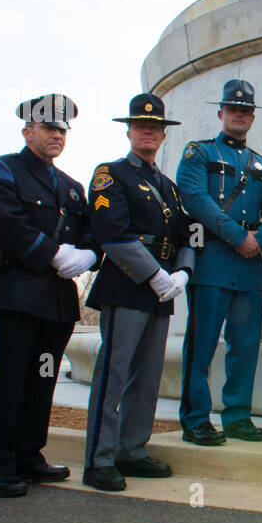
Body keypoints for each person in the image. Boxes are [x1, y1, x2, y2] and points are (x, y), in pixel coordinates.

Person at [0, 94, 97, 497]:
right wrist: (53, 253)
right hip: (15, 297)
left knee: (42, 381)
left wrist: (89, 253)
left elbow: (92, 231)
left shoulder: (72, 187)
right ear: (28, 131)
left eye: (63, 130)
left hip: (56, 305)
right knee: (7, 382)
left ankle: (29, 455)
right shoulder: (2, 170)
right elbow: (3, 222)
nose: (57, 135)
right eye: (49, 128)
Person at [82, 94, 194, 491]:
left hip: (162, 291)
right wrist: (153, 274)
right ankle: (99, 459)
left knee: (147, 378)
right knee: (113, 375)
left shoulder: (169, 188)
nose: (149, 131)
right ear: (129, 131)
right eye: (141, 125)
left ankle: (132, 450)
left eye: (156, 127)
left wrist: (182, 273)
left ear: (163, 135)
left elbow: (188, 235)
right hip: (127, 285)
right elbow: (110, 232)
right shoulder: (110, 174)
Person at [175, 79, 262, 446]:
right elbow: (195, 199)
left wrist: (259, 241)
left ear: (252, 117)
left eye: (246, 110)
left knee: (245, 346)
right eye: (233, 109)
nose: (239, 115)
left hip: (249, 267)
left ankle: (237, 416)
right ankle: (195, 418)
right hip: (212, 261)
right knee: (201, 346)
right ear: (221, 113)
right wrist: (239, 236)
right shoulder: (198, 153)